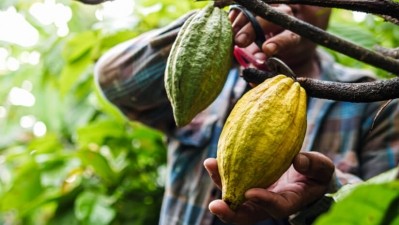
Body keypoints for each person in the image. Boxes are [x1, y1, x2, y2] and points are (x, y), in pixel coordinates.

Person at [94, 3, 399, 225]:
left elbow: (387, 205)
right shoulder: (212, 84)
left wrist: (325, 193)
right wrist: (221, 36)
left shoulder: (376, 101)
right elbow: (117, 82)